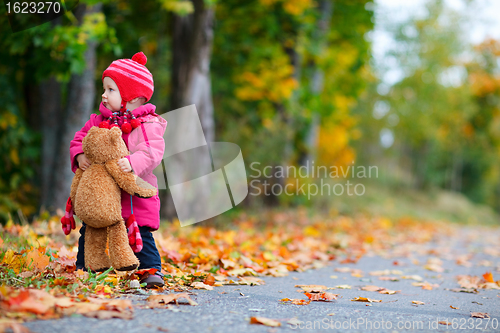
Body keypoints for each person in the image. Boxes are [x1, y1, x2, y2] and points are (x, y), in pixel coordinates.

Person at [69, 52, 167, 288]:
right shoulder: (97, 121)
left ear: (132, 97)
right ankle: (86, 267)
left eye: (111, 90)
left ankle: (150, 271)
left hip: (134, 196)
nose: (104, 95)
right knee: (90, 230)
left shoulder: (147, 124)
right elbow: (79, 139)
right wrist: (80, 155)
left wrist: (133, 163)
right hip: (102, 195)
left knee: (140, 235)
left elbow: (153, 150)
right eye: (104, 88)